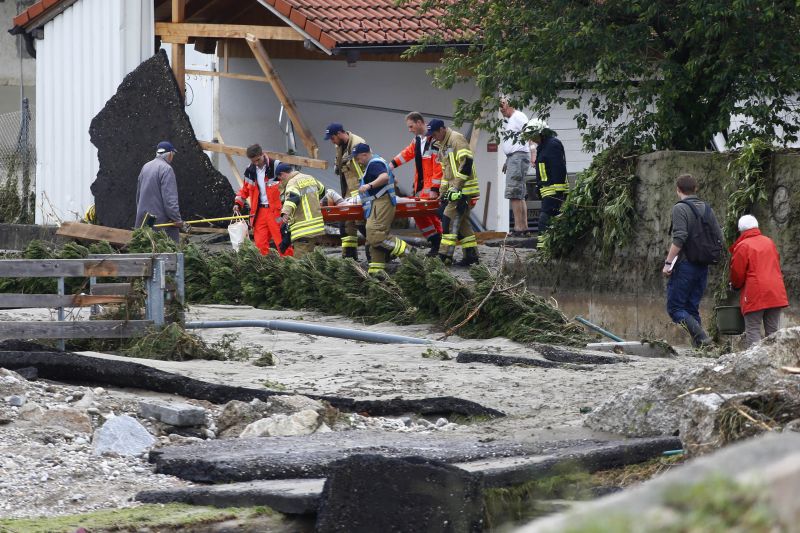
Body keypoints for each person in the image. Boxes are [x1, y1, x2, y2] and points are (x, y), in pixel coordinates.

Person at [662, 174, 723, 347]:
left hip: (685, 265)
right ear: (695, 189)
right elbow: (719, 236)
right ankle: (700, 348)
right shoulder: (707, 208)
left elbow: (679, 237)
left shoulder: (680, 208)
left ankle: (703, 339)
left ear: (678, 190)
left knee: (675, 309)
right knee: (691, 308)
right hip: (702, 266)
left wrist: (668, 263)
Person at [389, 112, 444, 256]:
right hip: (421, 187)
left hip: (431, 187)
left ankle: (439, 243)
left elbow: (438, 166)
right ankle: (435, 241)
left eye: (411, 126)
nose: (410, 129)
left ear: (420, 123)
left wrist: (434, 188)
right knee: (420, 214)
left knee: (432, 216)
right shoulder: (418, 140)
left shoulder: (434, 140)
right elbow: (407, 153)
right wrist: (391, 164)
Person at [729, 214, 789, 347]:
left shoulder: (743, 245)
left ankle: (755, 365)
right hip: (775, 292)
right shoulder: (769, 242)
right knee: (773, 332)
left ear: (741, 230)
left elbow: (737, 273)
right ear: (757, 226)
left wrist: (735, 285)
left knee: (753, 329)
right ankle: (775, 363)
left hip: (755, 293)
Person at [353, 143, 412, 274]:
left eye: (358, 158)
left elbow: (384, 177)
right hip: (378, 202)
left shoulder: (374, 164)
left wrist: (369, 186)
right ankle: (377, 270)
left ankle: (410, 253)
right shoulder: (377, 162)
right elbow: (394, 180)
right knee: (372, 235)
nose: (358, 161)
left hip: (382, 202)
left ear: (364, 154)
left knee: (376, 235)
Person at [428, 119, 480, 266]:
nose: (433, 137)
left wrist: (456, 187)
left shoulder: (456, 139)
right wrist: (443, 192)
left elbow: (467, 163)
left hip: (463, 191)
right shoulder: (443, 145)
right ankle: (471, 256)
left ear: (442, 129)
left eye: (434, 134)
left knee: (448, 222)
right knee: (462, 224)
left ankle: (444, 256)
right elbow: (447, 171)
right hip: (454, 191)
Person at [232, 144, 291, 256]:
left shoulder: (277, 166)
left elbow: (291, 183)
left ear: (262, 154)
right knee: (260, 245)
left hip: (277, 212)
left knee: (282, 242)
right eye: (253, 161)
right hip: (259, 213)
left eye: (258, 160)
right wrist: (238, 203)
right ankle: (263, 269)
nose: (256, 163)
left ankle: (288, 266)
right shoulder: (250, 170)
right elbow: (244, 190)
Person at [326, 123, 367, 259]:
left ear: (339, 133)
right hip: (349, 191)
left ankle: (382, 248)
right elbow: (340, 166)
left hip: (360, 191)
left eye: (332, 138)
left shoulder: (357, 144)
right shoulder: (340, 145)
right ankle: (349, 257)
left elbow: (364, 168)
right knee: (345, 224)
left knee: (363, 225)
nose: (332, 142)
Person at [524, 119, 567, 247]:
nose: (530, 138)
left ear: (541, 133)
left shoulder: (553, 144)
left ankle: (542, 248)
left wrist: (559, 193)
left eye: (532, 135)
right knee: (552, 221)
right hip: (547, 191)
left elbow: (558, 168)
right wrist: (539, 187)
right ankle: (552, 247)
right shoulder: (542, 147)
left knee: (544, 219)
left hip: (554, 192)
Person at [135, 141, 183, 243]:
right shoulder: (166, 169)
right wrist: (177, 219)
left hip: (143, 220)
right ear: (169, 154)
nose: (172, 157)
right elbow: (170, 199)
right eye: (173, 154)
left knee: (144, 249)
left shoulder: (146, 167)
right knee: (169, 253)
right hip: (160, 224)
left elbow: (138, 195)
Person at [277, 163, 327, 258]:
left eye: (280, 178)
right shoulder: (310, 177)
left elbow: (292, 198)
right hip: (317, 226)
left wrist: (285, 213)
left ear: (283, 174)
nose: (281, 181)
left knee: (300, 262)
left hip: (303, 228)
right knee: (311, 258)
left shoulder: (292, 182)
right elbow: (322, 190)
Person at [500, 99, 531, 236]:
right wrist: (508, 160)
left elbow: (530, 133)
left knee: (514, 193)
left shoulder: (518, 116)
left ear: (511, 104)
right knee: (519, 194)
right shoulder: (513, 119)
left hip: (518, 157)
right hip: (515, 157)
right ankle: (523, 227)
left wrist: (533, 152)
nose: (501, 109)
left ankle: (519, 228)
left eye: (503, 105)